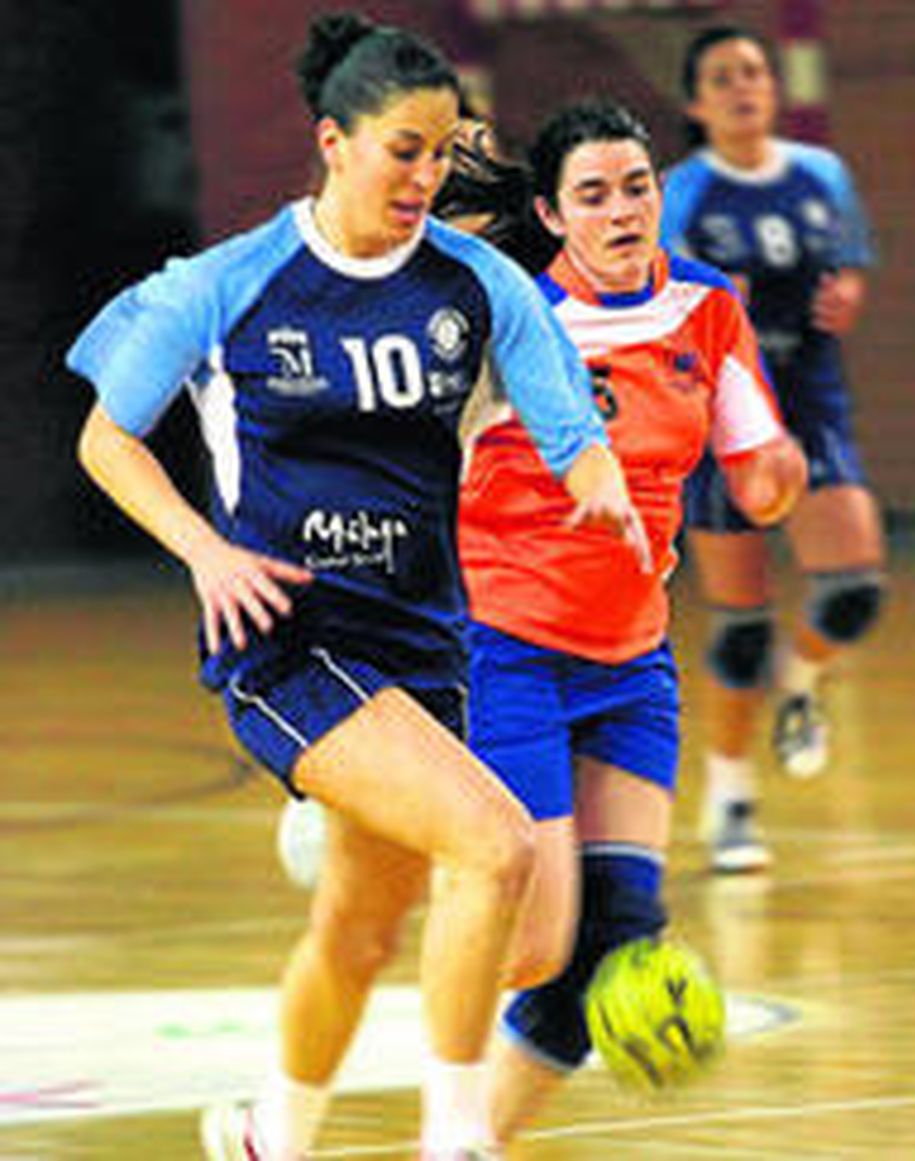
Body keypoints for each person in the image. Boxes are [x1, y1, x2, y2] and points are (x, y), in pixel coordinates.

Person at [68, 15, 646, 1161]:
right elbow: (106, 439)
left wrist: (603, 488)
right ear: (334, 143)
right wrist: (206, 551)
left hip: (420, 646)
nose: (425, 177)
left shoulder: (477, 285)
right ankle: (456, 1138)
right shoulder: (228, 284)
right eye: (403, 150)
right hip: (286, 636)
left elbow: (571, 429)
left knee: (359, 930)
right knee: (494, 847)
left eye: (441, 152)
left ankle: (265, 1140)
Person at [437, 99, 806, 1144]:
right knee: (537, 945)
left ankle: (471, 1144)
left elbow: (756, 473)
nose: (622, 211)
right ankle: (404, 835)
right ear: (552, 216)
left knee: (618, 935)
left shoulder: (706, 308)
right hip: (507, 647)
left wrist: (779, 477)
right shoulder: (511, 321)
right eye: (593, 195)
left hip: (632, 660)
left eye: (637, 188)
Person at [663, 24, 887, 873]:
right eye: (722, 78)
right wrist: (708, 305)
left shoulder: (822, 172)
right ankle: (730, 798)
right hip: (719, 412)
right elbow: (653, 304)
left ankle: (799, 682)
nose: (742, 87)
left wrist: (848, 295)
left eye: (753, 72)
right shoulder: (682, 193)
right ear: (696, 103)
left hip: (809, 400)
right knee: (741, 628)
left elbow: (849, 266)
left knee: (853, 591)